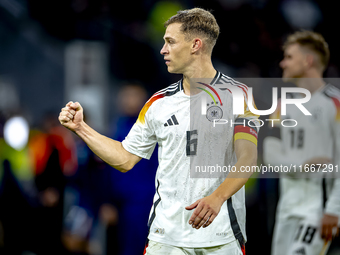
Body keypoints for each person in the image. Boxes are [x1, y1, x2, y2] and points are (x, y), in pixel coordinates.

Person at [59, 8, 259, 255]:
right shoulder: (157, 103)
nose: (163, 49)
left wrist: (217, 198)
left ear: (196, 45)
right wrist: (81, 128)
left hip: (221, 237)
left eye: (170, 42)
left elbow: (248, 158)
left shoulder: (238, 96)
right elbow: (124, 158)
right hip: (165, 239)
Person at [263, 31, 340, 255]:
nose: (282, 63)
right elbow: (271, 156)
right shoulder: (280, 106)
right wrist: (302, 166)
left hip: (319, 208)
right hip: (286, 207)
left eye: (288, 57)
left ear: (308, 61)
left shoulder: (334, 103)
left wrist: (334, 210)